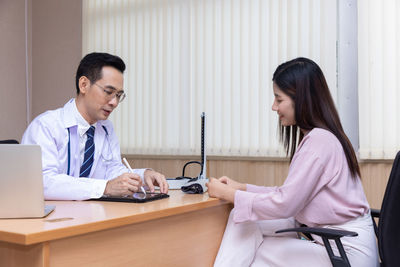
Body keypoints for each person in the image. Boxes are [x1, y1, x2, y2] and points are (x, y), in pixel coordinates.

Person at [206, 57, 378, 266]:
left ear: (301, 99)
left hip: (346, 251)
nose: (273, 107)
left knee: (253, 247)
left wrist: (229, 194)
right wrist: (242, 187)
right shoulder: (322, 138)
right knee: (244, 225)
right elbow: (289, 195)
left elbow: (285, 203)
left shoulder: (319, 141)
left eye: (279, 100)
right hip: (336, 242)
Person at [22, 52, 168, 200]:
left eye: (118, 95)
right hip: (53, 218)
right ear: (84, 85)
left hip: (90, 214)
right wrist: (104, 187)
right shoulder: (46, 126)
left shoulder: (105, 128)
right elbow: (42, 182)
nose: (114, 103)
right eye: (109, 92)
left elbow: (111, 171)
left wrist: (143, 176)